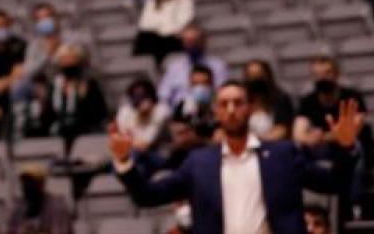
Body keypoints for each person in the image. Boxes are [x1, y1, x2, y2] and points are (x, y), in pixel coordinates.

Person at [110, 82, 364, 234]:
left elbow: (334, 183)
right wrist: (125, 163)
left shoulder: (282, 154)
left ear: (250, 108)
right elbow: (147, 196)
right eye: (224, 104)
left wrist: (345, 147)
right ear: (216, 112)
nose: (231, 110)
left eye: (238, 103)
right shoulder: (198, 163)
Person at [132, 0, 194, 64]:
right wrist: (159, 29)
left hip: (173, 37)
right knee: (144, 38)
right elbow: (145, 24)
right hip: (154, 36)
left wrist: (162, 28)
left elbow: (182, 22)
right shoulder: (152, 1)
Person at [157, 24, 227, 108]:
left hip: (209, 110)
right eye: (188, 41)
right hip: (177, 113)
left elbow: (223, 93)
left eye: (195, 41)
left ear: (203, 41)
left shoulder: (217, 66)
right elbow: (163, 95)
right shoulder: (174, 67)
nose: (192, 45)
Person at [48, 43, 108, 140]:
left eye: (72, 59)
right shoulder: (54, 85)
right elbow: (48, 115)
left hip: (85, 130)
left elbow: (100, 114)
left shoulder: (90, 84)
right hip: (58, 130)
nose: (68, 63)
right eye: (64, 59)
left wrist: (83, 98)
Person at [6, 164, 71, 234]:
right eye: (24, 182)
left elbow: (60, 230)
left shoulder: (57, 205)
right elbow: (11, 230)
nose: (26, 186)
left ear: (41, 184)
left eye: (30, 182)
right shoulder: (19, 208)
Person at [115, 78, 170, 154]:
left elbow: (146, 143)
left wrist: (146, 114)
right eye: (135, 96)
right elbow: (122, 139)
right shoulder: (125, 111)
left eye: (143, 96)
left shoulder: (162, 111)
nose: (139, 100)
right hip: (134, 151)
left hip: (160, 152)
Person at [244, 60, 295, 142]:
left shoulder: (281, 99)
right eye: (251, 76)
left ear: (268, 76)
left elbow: (281, 131)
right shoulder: (242, 101)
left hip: (274, 145)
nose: (255, 80)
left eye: (259, 75)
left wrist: (257, 141)